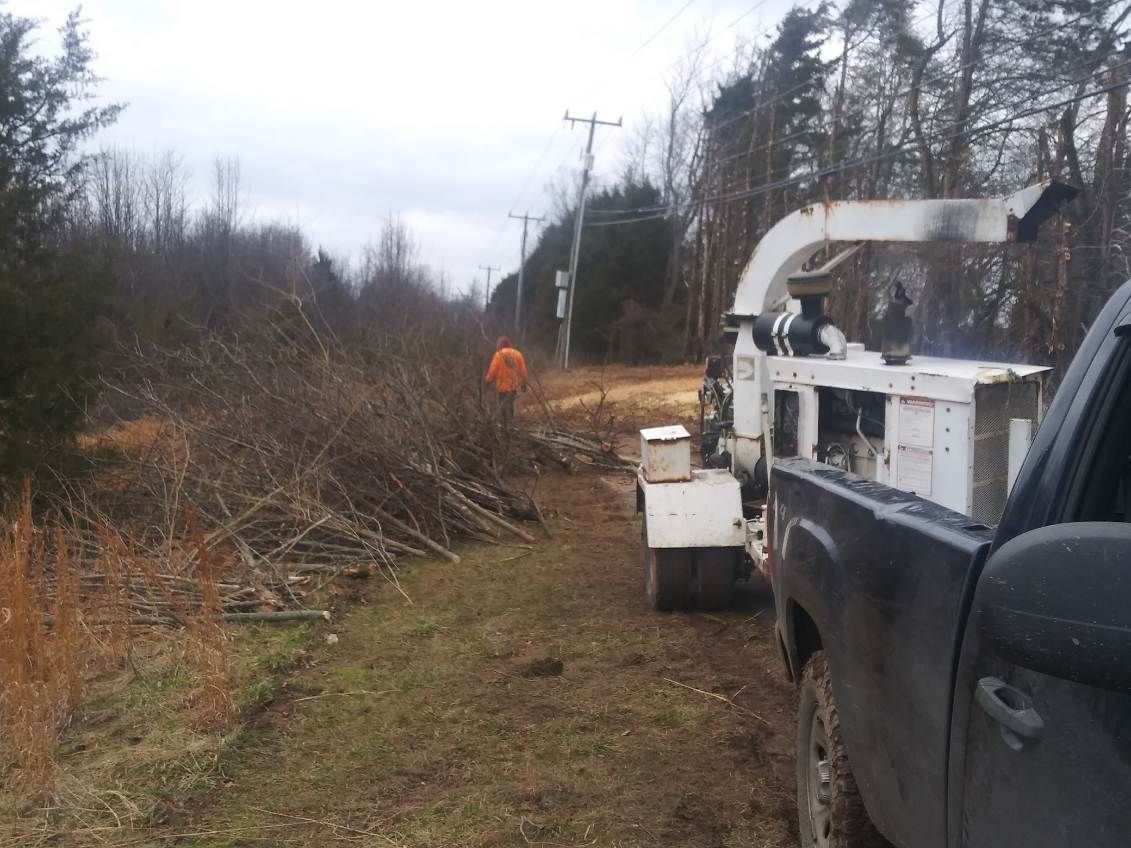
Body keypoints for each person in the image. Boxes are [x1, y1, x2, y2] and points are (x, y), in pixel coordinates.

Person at [484, 336, 527, 428]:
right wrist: (524, 382)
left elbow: (493, 370)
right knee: (510, 404)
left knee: (502, 404)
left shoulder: (499, 354)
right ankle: (510, 422)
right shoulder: (517, 354)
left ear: (500, 344)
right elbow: (523, 370)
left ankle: (503, 424)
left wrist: (488, 380)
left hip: (502, 386)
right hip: (513, 385)